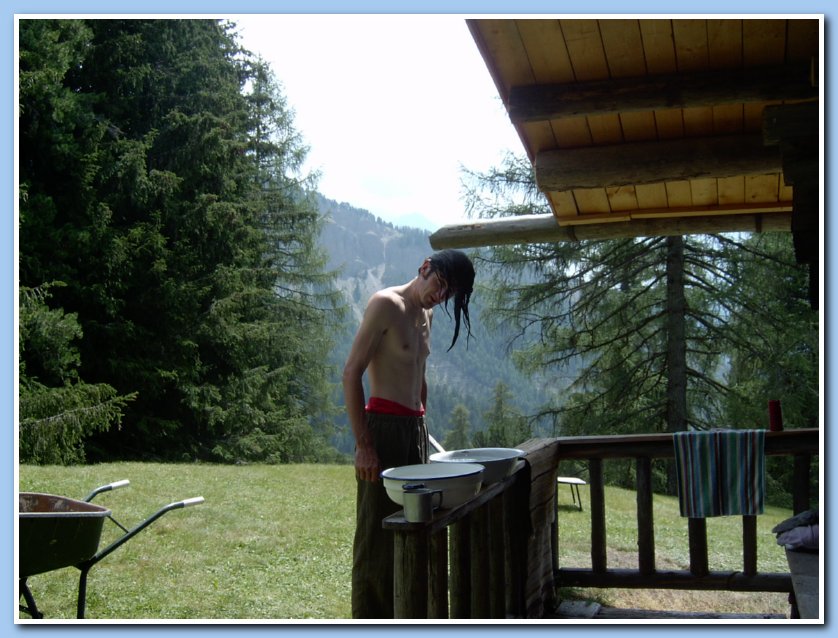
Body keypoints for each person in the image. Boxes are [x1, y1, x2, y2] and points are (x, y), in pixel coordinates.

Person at [342, 248, 475, 618]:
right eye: (440, 283)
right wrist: (364, 445)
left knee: (417, 529)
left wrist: (422, 419)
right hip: (382, 432)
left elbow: (419, 372)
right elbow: (351, 372)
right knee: (376, 538)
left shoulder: (427, 313)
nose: (440, 294)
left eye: (449, 293)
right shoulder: (386, 304)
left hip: (414, 429)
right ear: (424, 268)